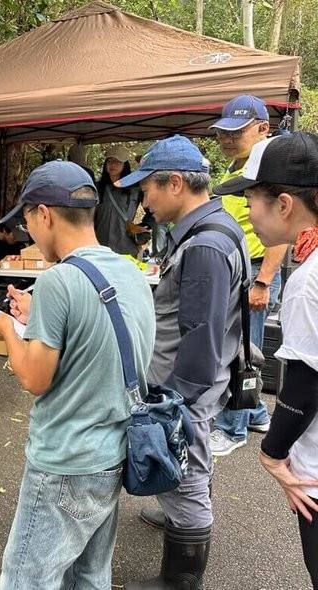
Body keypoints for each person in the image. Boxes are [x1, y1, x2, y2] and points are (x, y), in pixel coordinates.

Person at [0, 161, 155, 589]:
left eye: (27, 222)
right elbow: (101, 340)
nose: (29, 234)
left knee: (27, 578)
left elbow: (35, 379)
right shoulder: (131, 273)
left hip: (65, 460)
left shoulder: (59, 280)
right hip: (112, 454)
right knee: (90, 575)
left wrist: (8, 330)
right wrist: (37, 319)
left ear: (44, 214)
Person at [118, 136, 248, 589]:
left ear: (174, 184)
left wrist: (172, 405)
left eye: (147, 189)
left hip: (186, 386)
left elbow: (201, 337)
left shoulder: (205, 246)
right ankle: (174, 510)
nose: (144, 201)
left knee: (188, 470)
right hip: (194, 381)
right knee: (186, 466)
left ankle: (179, 580)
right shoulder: (209, 231)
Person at [213, 131, 318, 587]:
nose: (245, 212)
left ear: (284, 205)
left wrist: (273, 454)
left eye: (250, 199)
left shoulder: (307, 283)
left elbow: (306, 379)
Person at [209, 95, 289, 457]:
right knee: (244, 348)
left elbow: (279, 230)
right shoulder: (238, 168)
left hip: (255, 271)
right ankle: (256, 412)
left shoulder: (268, 171)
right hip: (241, 270)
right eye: (222, 133)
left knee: (243, 353)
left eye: (236, 132)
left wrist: (264, 281)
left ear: (262, 128)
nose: (227, 139)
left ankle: (233, 427)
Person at [94, 146, 148, 256]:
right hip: (100, 247)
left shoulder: (135, 188)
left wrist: (145, 226)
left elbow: (151, 209)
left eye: (117, 162)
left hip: (126, 247)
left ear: (125, 165)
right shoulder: (97, 187)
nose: (112, 165)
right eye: (109, 161)